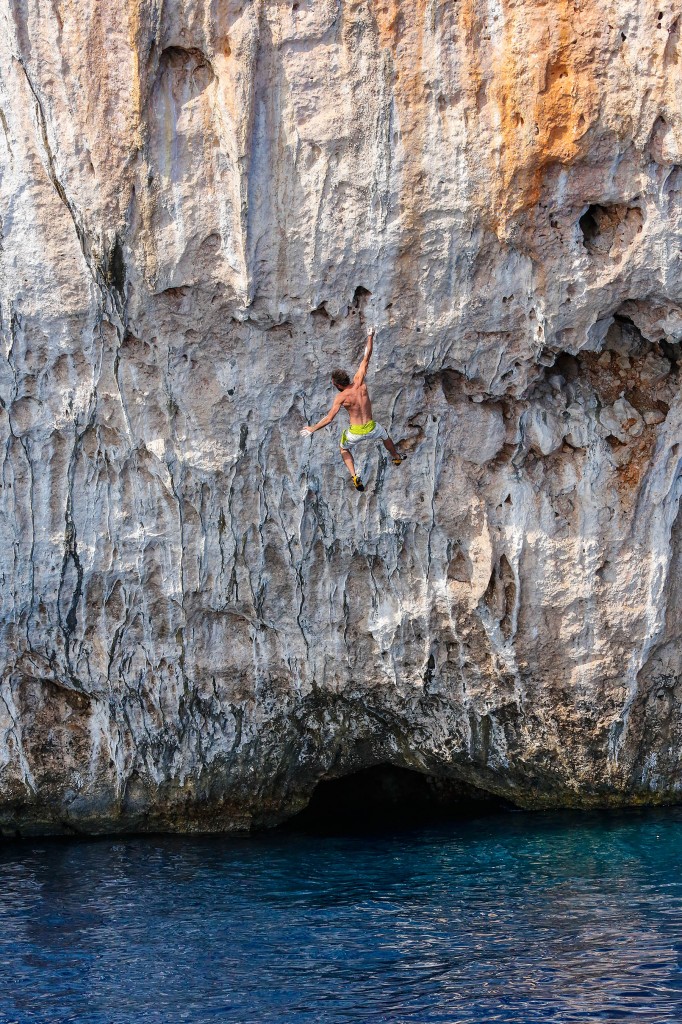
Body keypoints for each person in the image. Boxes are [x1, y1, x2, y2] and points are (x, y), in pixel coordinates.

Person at [300, 329, 402, 491]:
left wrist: (312, 429)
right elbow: (366, 357)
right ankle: (396, 457)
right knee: (385, 436)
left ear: (338, 385)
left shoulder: (341, 397)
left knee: (343, 448)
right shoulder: (359, 382)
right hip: (372, 427)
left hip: (355, 432)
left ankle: (355, 476)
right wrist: (370, 336)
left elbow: (329, 419)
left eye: (333, 384)